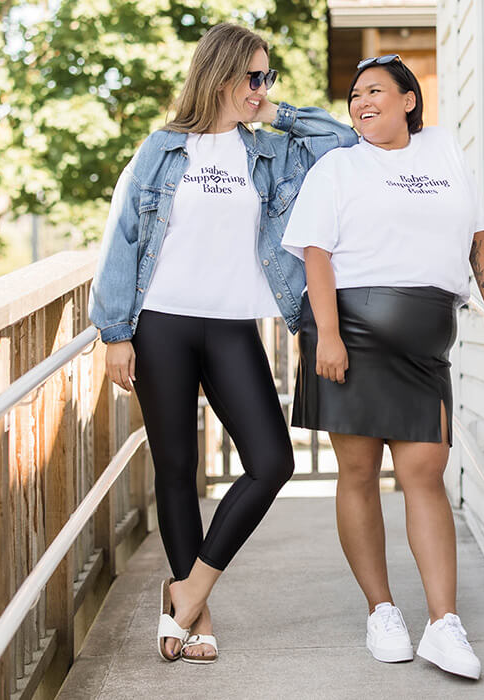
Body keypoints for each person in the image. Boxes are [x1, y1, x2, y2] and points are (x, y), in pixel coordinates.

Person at [89, 23, 357, 665]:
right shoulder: (160, 150)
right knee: (177, 469)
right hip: (161, 324)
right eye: (253, 77)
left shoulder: (269, 150)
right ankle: (197, 616)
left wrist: (279, 111)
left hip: (232, 324)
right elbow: (123, 240)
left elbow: (344, 140)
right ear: (220, 74)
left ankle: (186, 592)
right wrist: (116, 333)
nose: (261, 89)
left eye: (267, 78)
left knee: (272, 461)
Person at [280, 55, 484, 680]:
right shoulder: (337, 166)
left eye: (376, 92)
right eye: (355, 95)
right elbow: (316, 254)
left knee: (425, 472)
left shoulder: (443, 153)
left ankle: (444, 623)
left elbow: (474, 235)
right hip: (348, 332)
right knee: (357, 471)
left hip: (423, 346)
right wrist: (327, 336)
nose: (361, 103)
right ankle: (381, 610)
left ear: (410, 100)